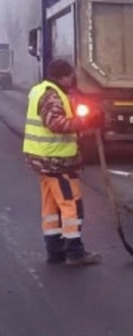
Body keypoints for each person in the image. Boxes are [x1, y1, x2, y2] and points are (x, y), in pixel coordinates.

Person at [23, 59, 104, 266]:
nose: (72, 80)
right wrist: (86, 122)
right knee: (72, 205)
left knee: (51, 205)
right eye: (70, 76)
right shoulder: (51, 95)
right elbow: (56, 124)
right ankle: (74, 252)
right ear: (63, 76)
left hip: (42, 159)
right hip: (56, 161)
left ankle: (55, 249)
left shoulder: (41, 90)